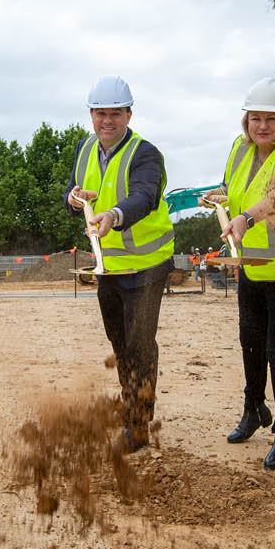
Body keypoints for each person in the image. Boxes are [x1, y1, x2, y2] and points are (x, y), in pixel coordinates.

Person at [204, 77, 275, 470]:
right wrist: (222, 196)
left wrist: (245, 217)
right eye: (256, 118)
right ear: (246, 121)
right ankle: (254, 409)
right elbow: (233, 184)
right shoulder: (240, 149)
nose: (263, 126)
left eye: (272, 119)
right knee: (250, 343)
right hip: (252, 269)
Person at [65, 75, 175, 453]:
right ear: (91, 115)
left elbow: (144, 196)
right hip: (108, 266)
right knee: (119, 342)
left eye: (114, 113)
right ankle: (132, 405)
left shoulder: (146, 154)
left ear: (129, 114)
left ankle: (138, 425)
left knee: (140, 343)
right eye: (99, 114)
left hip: (147, 266)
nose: (106, 121)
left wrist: (113, 214)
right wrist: (75, 199)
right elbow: (73, 189)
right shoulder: (84, 149)